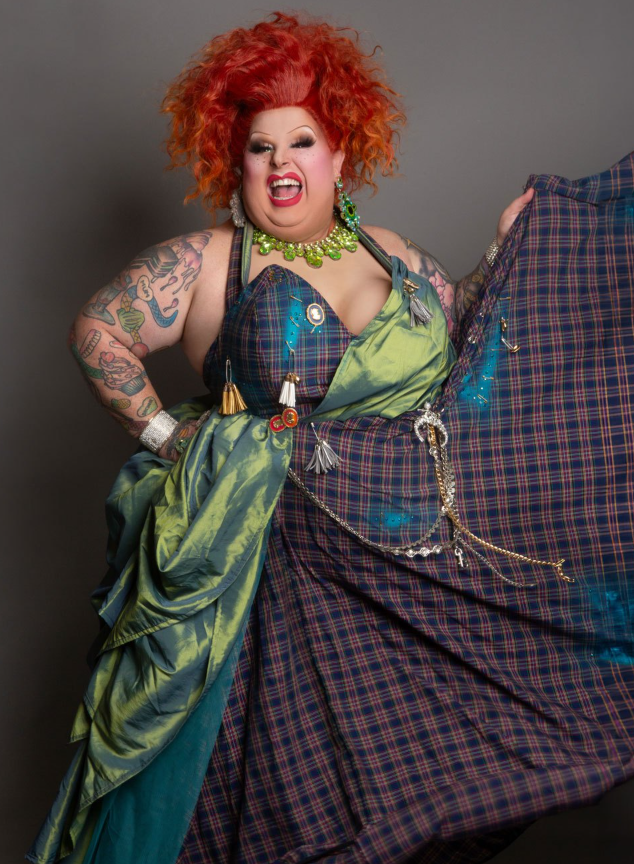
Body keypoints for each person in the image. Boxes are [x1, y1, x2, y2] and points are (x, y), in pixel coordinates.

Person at [27, 12, 634, 864]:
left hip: (411, 587)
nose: (282, 164)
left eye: (302, 141)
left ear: (341, 154)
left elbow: (464, 346)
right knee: (289, 821)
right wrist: (171, 440)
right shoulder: (207, 262)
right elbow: (99, 331)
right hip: (278, 598)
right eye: (260, 147)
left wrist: (507, 251)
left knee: (427, 795)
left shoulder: (391, 253)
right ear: (235, 161)